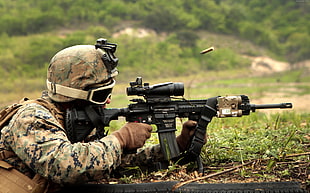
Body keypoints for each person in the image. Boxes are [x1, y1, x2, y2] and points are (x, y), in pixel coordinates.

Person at [0, 39, 199, 193]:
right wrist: (120, 139)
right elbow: (68, 167)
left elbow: (110, 164)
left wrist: (178, 145)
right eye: (102, 95)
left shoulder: (71, 118)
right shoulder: (32, 118)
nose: (108, 101)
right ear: (74, 94)